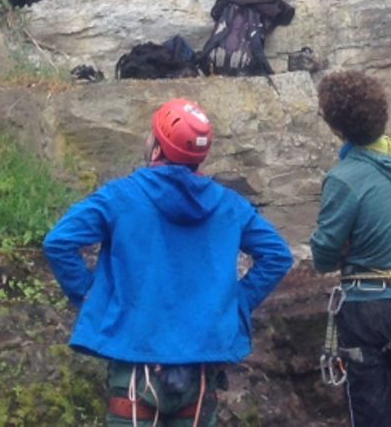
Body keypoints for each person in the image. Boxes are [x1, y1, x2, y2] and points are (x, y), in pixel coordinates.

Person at [43, 98, 294, 426]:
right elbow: (277, 256)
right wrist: (235, 303)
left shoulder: (120, 197)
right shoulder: (230, 206)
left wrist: (91, 296)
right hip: (200, 371)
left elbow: (59, 242)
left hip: (134, 363)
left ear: (158, 149)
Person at [309, 70, 391, 427]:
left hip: (369, 310)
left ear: (337, 126)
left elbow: (323, 256)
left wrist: (346, 247)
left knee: (372, 414)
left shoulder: (344, 179)